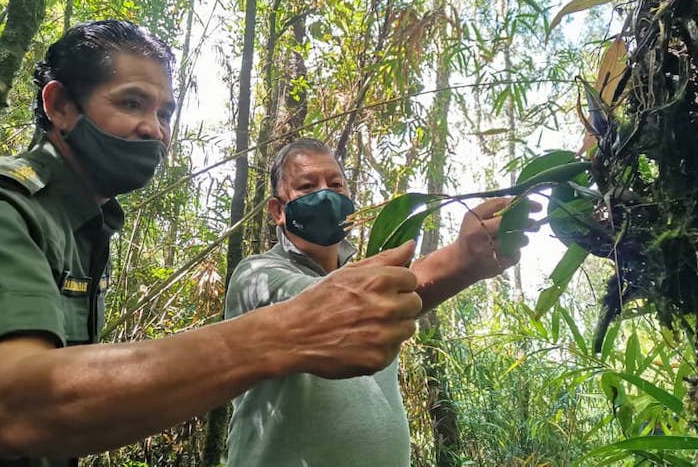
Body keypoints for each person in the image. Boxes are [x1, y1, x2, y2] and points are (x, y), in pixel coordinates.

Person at [0, 20, 424, 466]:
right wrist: (283, 335)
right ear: (61, 106)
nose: (154, 128)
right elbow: (17, 408)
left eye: (164, 112)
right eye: (132, 103)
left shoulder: (88, 227)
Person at [224, 139, 535, 466]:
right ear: (278, 211)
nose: (326, 194)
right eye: (307, 186)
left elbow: (371, 296)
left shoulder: (375, 289)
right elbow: (335, 308)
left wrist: (471, 261)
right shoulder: (257, 275)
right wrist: (461, 259)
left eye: (335, 184)